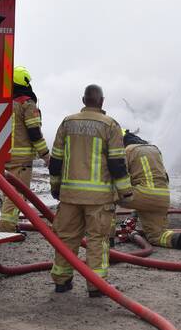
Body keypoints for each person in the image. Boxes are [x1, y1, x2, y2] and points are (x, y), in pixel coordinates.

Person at [48, 84, 131, 296]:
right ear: (102, 101)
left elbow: (56, 159)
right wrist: (125, 192)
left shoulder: (67, 123)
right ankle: (96, 286)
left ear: (83, 100)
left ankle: (62, 281)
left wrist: (55, 186)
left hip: (69, 196)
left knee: (66, 238)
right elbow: (117, 163)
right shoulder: (110, 125)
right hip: (99, 198)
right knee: (97, 240)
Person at [120, 130, 181, 253]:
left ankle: (102, 234)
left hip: (143, 195)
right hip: (162, 198)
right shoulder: (155, 149)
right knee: (156, 236)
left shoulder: (128, 151)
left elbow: (120, 176)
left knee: (106, 195)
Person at [0, 66, 50, 233]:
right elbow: (34, 132)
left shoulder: (3, 103)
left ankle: (9, 226)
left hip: (4, 156)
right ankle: (6, 229)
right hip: (21, 159)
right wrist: (46, 156)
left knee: (9, 193)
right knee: (16, 195)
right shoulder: (27, 104)